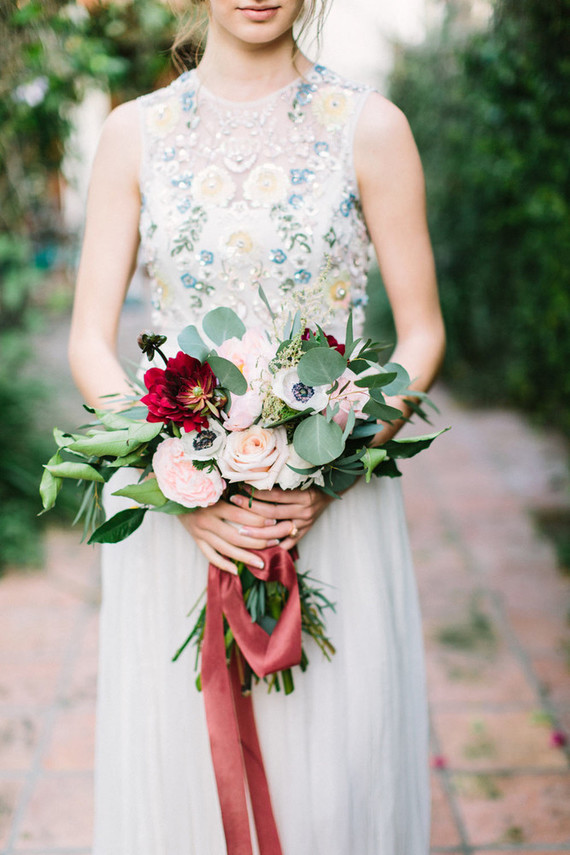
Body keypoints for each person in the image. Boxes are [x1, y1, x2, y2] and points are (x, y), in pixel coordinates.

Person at [69, 1, 445, 852]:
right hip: (185, 528)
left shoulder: (371, 127)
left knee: (336, 781)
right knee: (183, 793)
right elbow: (89, 340)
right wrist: (178, 483)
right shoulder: (136, 133)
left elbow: (422, 332)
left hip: (327, 514)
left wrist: (329, 469)